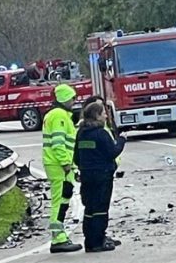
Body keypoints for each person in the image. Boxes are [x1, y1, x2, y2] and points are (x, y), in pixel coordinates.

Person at [74, 103, 126, 252]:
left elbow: (76, 157)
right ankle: (98, 240)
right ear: (97, 115)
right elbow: (112, 152)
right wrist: (122, 140)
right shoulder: (101, 133)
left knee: (89, 208)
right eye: (103, 113)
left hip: (87, 175)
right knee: (101, 209)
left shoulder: (81, 133)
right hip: (102, 175)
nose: (106, 116)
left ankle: (89, 241)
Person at [42, 84, 82, 253]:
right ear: (65, 98)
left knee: (63, 200)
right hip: (58, 165)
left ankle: (60, 236)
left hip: (59, 164)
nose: (74, 101)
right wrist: (66, 163)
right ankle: (58, 238)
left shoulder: (58, 114)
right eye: (72, 98)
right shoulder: (59, 115)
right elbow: (59, 143)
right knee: (59, 202)